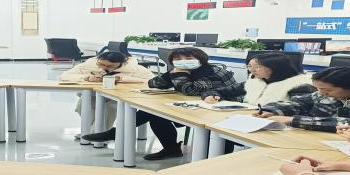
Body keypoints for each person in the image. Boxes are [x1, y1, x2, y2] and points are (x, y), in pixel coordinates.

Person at [83, 47, 240, 160]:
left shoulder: (213, 72)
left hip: (223, 111)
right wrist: (171, 74)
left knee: (153, 113)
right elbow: (153, 83)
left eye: (188, 59)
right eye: (178, 60)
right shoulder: (181, 70)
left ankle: (115, 133)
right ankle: (171, 149)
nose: (183, 62)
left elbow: (189, 90)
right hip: (199, 106)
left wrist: (179, 75)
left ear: (201, 59)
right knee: (155, 112)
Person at [255, 66, 350, 132]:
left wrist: (293, 120)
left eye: (327, 90)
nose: (321, 93)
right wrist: (272, 110)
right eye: (318, 88)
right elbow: (301, 103)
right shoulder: (324, 93)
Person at [59, 51, 153, 136]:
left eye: (110, 66)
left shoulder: (134, 68)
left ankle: (95, 135)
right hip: (93, 95)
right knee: (82, 105)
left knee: (110, 108)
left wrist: (121, 79)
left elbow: (151, 80)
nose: (104, 67)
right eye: (101, 64)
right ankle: (93, 133)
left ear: (121, 63)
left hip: (118, 97)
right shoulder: (89, 65)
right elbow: (64, 76)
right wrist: (86, 77)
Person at [204, 52, 314, 105]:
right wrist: (210, 96)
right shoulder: (256, 81)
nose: (251, 71)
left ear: (275, 67)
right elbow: (219, 91)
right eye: (249, 66)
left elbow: (300, 108)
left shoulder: (300, 85)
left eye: (257, 67)